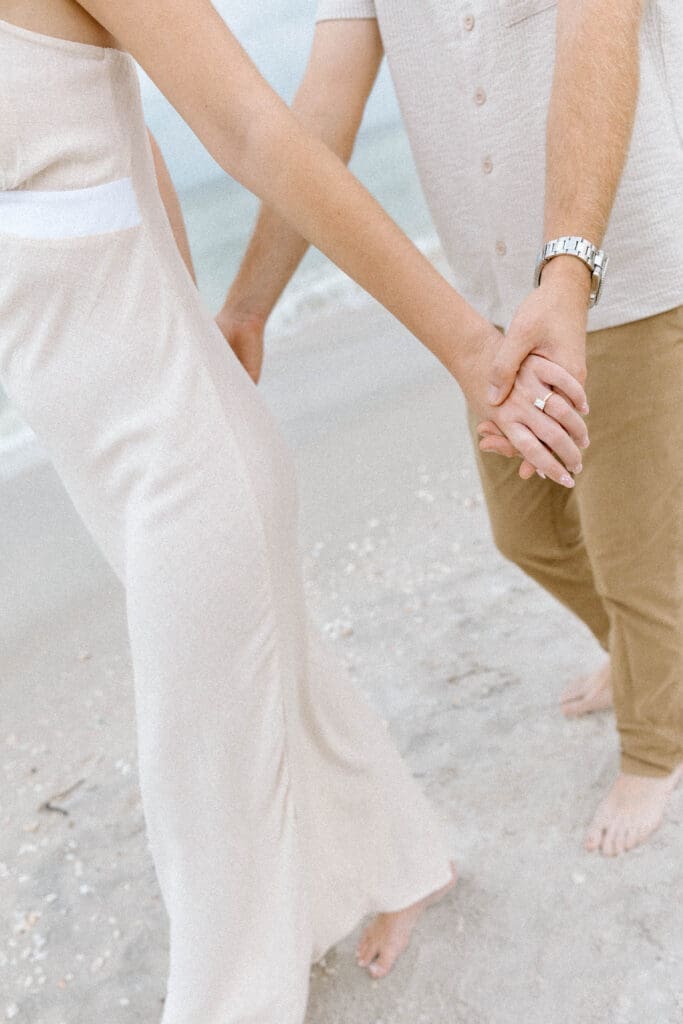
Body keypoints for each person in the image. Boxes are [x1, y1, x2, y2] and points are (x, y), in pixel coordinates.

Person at [0, 1, 588, 1021]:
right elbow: (119, 150)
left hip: (182, 457)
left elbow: (257, 131)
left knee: (198, 778)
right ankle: (405, 864)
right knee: (282, 674)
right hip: (104, 448)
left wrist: (465, 349)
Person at [217, 0, 683, 858]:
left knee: (634, 552)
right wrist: (249, 305)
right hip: (492, 300)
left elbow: (600, 28)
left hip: (631, 269)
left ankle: (658, 743)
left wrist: (568, 272)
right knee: (528, 533)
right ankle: (653, 668)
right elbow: (321, 114)